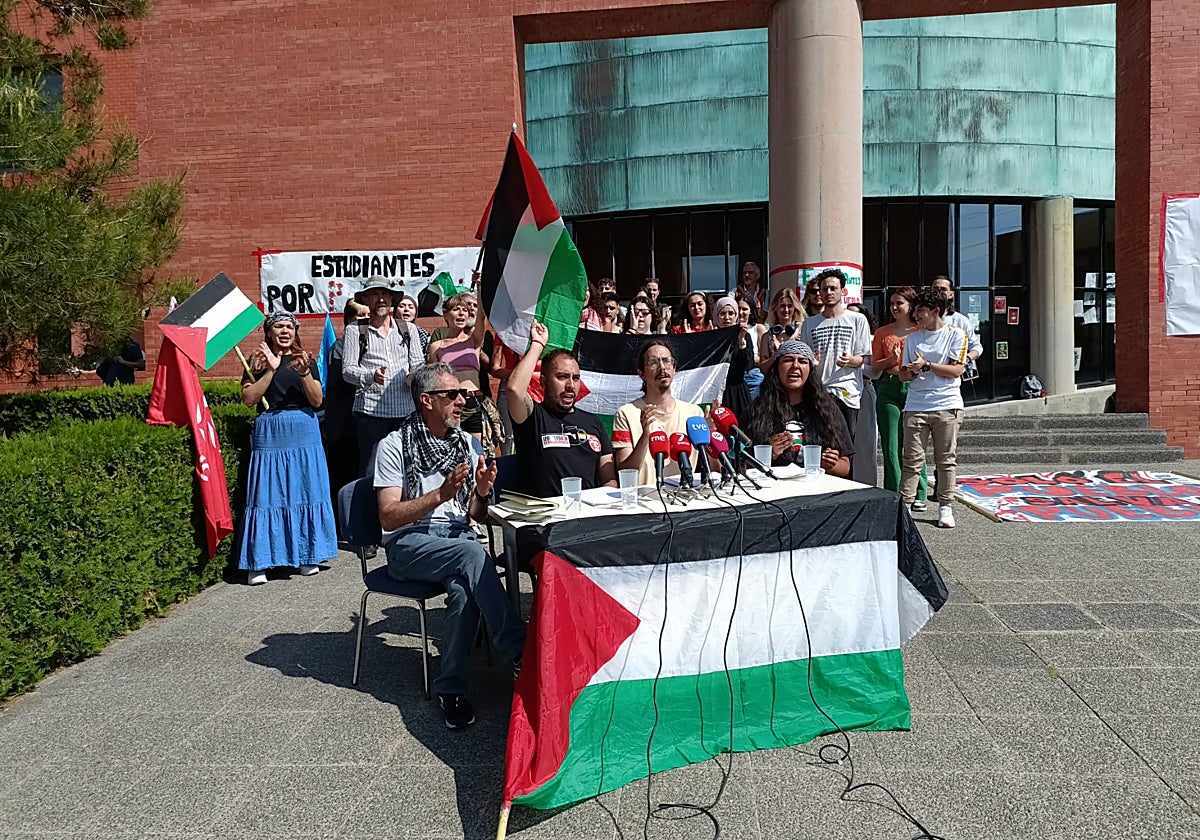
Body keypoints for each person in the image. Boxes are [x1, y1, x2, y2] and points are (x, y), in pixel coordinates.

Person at [374, 363, 525, 729]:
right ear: (426, 400)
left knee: (463, 590)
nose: (462, 401)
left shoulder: (465, 444)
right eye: (452, 395)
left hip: (456, 539)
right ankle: (518, 650)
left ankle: (451, 688)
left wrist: (484, 491)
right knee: (472, 552)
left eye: (463, 394)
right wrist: (439, 495)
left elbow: (476, 513)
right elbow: (389, 517)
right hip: (409, 543)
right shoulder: (394, 445)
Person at [237, 313, 338, 585]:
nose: (285, 331)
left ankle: (308, 554)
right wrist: (270, 369)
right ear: (268, 332)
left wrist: (304, 373)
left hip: (303, 428)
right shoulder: (256, 361)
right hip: (270, 430)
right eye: (279, 326)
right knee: (266, 494)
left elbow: (317, 400)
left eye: (289, 327)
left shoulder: (304, 359)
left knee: (306, 489)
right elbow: (249, 399)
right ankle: (259, 562)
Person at [508, 321, 617, 497]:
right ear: (543, 382)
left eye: (575, 378)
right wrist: (537, 344)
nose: (570, 385)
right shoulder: (533, 417)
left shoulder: (593, 422)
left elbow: (609, 479)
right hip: (544, 518)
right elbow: (514, 389)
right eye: (562, 377)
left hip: (587, 515)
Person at [342, 276, 427, 475]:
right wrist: (371, 375)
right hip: (371, 415)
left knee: (409, 468)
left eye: (385, 294)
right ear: (366, 299)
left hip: (406, 412)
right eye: (375, 294)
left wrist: (413, 376)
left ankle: (406, 506)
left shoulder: (409, 329)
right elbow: (347, 371)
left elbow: (417, 363)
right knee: (371, 472)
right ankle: (372, 507)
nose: (381, 299)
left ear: (391, 300)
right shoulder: (355, 330)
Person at [899, 288, 968, 529]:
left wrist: (927, 365)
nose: (916, 317)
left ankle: (945, 506)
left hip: (947, 405)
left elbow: (956, 370)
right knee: (911, 459)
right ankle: (904, 507)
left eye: (921, 312)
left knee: (946, 459)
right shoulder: (912, 339)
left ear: (936, 311)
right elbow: (902, 375)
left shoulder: (956, 334)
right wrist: (912, 370)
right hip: (916, 405)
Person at [744, 339, 853, 478]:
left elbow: (845, 467)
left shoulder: (828, 410)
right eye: (788, 360)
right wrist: (769, 454)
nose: (795, 366)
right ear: (777, 367)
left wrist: (831, 464)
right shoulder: (757, 410)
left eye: (802, 361)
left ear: (810, 370)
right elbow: (742, 463)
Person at [612, 339, 704, 487]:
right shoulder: (626, 413)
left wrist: (710, 435)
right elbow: (625, 472)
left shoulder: (694, 413)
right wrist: (645, 436)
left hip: (685, 500)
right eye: (653, 362)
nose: (662, 367)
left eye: (667, 361)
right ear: (641, 373)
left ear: (674, 368)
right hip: (645, 502)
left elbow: (714, 470)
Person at [869, 287, 929, 506]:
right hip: (889, 387)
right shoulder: (883, 332)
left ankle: (920, 492)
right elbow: (875, 366)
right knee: (891, 445)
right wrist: (891, 360)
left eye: (899, 303)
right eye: (892, 303)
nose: (894, 308)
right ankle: (895, 494)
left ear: (911, 305)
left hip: (916, 388)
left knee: (915, 443)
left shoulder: (921, 331)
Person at [800, 268, 872, 443]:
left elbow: (864, 359)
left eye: (833, 288)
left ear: (842, 291)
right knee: (822, 442)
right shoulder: (809, 323)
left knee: (846, 444)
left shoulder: (857, 319)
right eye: (824, 289)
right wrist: (812, 363)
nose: (828, 292)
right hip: (820, 390)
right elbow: (806, 359)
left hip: (847, 391)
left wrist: (850, 361)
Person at [427, 293, 504, 453]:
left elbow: (482, 316)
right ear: (446, 315)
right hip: (449, 404)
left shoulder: (474, 341)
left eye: (465, 310)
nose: (462, 313)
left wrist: (480, 287)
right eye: (456, 309)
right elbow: (431, 380)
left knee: (477, 453)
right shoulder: (436, 346)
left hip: (473, 402)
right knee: (449, 451)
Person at [324, 299, 370, 508]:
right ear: (349, 320)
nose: (365, 322)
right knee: (344, 478)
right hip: (345, 427)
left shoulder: (374, 344)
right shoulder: (339, 348)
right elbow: (344, 382)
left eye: (368, 318)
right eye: (360, 317)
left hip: (366, 425)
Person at [845, 302, 880, 486]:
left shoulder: (873, 339)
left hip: (864, 389)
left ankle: (866, 485)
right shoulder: (841, 337)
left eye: (856, 316)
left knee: (865, 444)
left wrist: (855, 363)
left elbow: (876, 372)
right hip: (841, 393)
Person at [930, 275, 984, 373]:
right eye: (935, 289)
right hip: (929, 375)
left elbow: (976, 347)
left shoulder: (960, 320)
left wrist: (965, 359)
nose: (939, 292)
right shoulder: (921, 318)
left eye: (943, 289)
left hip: (956, 377)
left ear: (951, 294)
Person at [713, 296, 751, 418]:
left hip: (737, 392)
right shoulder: (712, 337)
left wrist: (741, 343)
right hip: (716, 392)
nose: (727, 317)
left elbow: (747, 365)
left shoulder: (744, 335)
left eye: (731, 313)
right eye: (722, 313)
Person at [757, 286, 805, 372]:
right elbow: (763, 368)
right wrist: (778, 353)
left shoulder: (802, 331)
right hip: (774, 381)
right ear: (775, 308)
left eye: (789, 306)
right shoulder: (767, 336)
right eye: (782, 306)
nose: (786, 310)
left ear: (795, 308)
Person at [736, 296, 766, 399]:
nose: (740, 312)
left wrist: (749, 359)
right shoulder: (729, 328)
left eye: (744, 309)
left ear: (751, 311)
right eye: (738, 308)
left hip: (753, 375)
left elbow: (764, 358)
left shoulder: (758, 328)